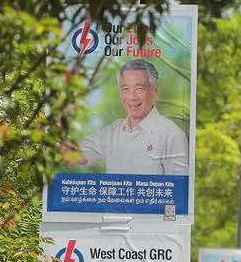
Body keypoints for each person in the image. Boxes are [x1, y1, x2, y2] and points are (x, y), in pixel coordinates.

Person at [60, 59, 189, 175]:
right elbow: (72, 154)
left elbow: (179, 188)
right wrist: (55, 129)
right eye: (125, 89)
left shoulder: (172, 135)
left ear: (154, 90)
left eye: (139, 88)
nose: (132, 97)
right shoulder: (113, 132)